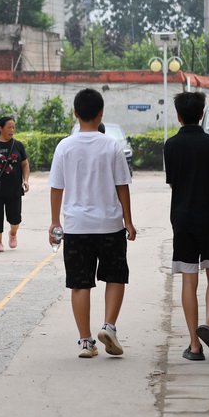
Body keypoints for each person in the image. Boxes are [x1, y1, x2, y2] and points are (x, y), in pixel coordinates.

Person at [48, 88, 135, 359]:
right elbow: (123, 187)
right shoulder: (112, 145)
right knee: (115, 276)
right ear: (101, 114)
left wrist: (54, 222)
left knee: (80, 283)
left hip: (76, 226)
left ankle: (86, 342)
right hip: (110, 224)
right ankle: (109, 326)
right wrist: (128, 222)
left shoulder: (65, 146)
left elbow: (56, 188)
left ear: (75, 114)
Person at [164, 92, 209, 361]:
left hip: (182, 220)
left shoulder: (170, 146)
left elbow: (174, 183)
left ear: (179, 116)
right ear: (202, 114)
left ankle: (194, 345)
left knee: (188, 277)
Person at [0, 115, 30, 251]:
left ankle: (13, 233)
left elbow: (25, 164)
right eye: (9, 127)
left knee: (15, 218)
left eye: (13, 127)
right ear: (0, 128)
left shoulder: (18, 145)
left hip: (14, 188)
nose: (12, 130)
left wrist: (25, 180)